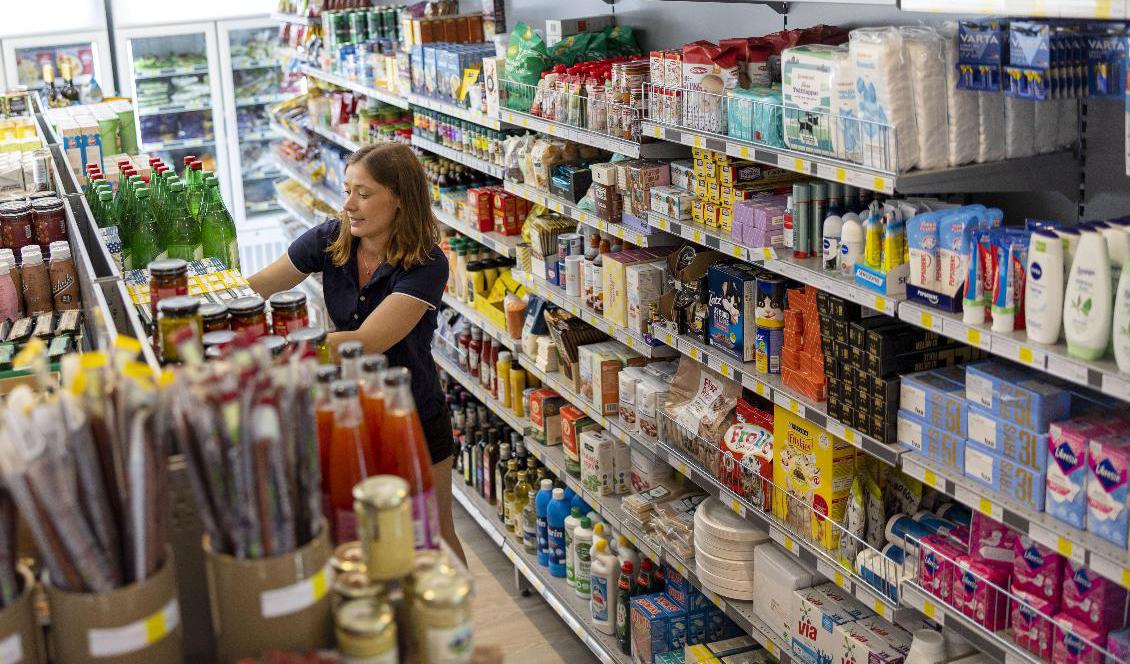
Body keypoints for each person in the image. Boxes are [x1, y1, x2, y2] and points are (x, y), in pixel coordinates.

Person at [249, 142, 465, 563]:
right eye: (347, 190)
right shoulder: (331, 239)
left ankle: (457, 620)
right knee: (360, 531)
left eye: (363, 194)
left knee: (434, 533)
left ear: (399, 197)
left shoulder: (427, 262)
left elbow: (367, 342)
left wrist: (282, 352)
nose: (349, 203)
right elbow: (258, 286)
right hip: (348, 411)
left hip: (412, 414)